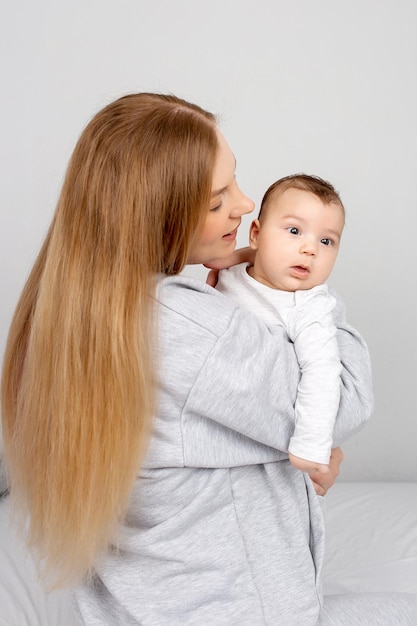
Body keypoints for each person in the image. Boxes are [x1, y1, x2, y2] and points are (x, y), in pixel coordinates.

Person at [0, 92, 396, 625]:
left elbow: (214, 433)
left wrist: (292, 451)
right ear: (155, 216)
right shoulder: (184, 326)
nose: (246, 203)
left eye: (235, 180)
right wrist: (306, 301)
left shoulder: (79, 313)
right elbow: (346, 398)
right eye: (216, 201)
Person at [216, 174, 345, 476]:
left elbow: (323, 372)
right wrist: (234, 258)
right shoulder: (235, 269)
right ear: (256, 235)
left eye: (326, 241)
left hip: (267, 439)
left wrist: (311, 444)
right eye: (295, 230)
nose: (310, 248)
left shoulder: (309, 307)